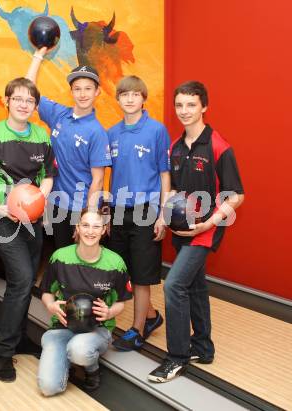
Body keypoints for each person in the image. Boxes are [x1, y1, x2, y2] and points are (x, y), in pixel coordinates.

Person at [148, 81, 244, 383]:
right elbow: (175, 189)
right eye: (180, 105)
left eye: (191, 105)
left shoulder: (218, 145)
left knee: (173, 286)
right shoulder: (176, 147)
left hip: (205, 230)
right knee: (195, 286)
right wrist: (164, 217)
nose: (184, 111)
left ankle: (176, 357)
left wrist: (210, 222)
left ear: (204, 107)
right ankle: (203, 347)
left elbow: (236, 196)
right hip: (181, 229)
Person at [0, 77, 56, 382]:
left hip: (32, 217)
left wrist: (39, 198)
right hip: (0, 218)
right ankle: (3, 351)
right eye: (18, 98)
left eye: (30, 101)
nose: (24, 104)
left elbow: (47, 175)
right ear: (6, 100)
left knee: (26, 279)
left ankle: (21, 338)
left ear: (35, 107)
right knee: (22, 280)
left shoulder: (41, 135)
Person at [37, 209, 131, 396]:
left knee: (79, 349)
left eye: (96, 226)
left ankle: (91, 369)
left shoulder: (115, 263)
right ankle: (65, 359)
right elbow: (46, 292)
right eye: (85, 225)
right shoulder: (60, 257)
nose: (90, 231)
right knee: (49, 388)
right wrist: (50, 305)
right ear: (77, 228)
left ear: (104, 230)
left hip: (97, 329)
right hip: (62, 328)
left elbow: (122, 302)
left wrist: (110, 312)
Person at [108, 76, 171, 351]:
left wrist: (162, 214)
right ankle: (152, 316)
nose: (130, 99)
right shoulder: (111, 133)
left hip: (147, 210)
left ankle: (137, 329)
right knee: (124, 271)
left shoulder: (157, 131)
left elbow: (165, 174)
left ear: (144, 98)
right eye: (125, 95)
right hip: (119, 209)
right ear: (118, 99)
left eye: (135, 94)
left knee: (143, 276)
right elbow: (105, 173)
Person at [26, 47, 112, 249]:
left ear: (97, 91)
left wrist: (87, 219)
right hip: (56, 204)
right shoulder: (58, 114)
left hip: (79, 209)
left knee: (80, 263)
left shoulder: (97, 133)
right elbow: (27, 90)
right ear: (71, 91)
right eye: (78, 88)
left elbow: (98, 181)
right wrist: (38, 57)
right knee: (61, 259)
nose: (82, 94)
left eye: (88, 88)